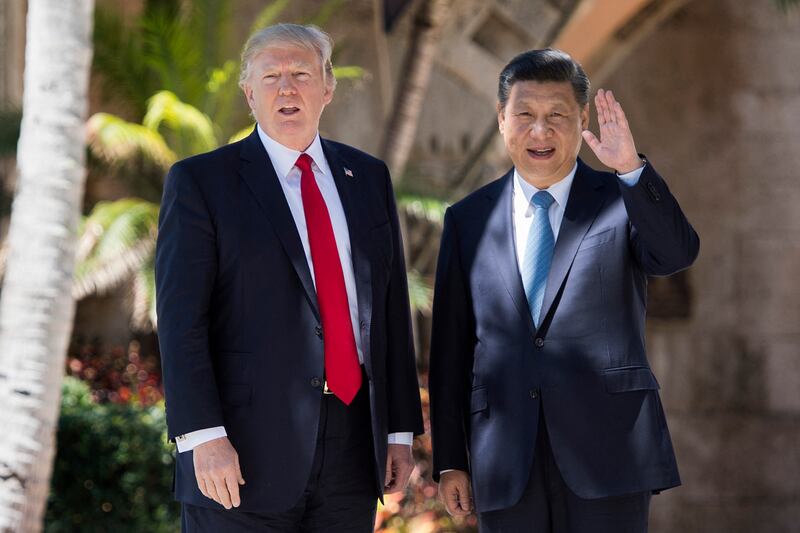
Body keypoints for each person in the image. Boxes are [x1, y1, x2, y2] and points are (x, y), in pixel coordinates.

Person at [155, 23, 424, 532]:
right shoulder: (200, 182)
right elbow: (180, 322)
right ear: (248, 92)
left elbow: (389, 308)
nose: (286, 88)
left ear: (328, 89)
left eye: (301, 73)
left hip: (351, 445)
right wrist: (201, 437)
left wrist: (400, 432)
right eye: (271, 76)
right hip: (239, 450)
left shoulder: (367, 177)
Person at [428, 48, 699, 532]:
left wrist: (631, 169)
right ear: (501, 118)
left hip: (610, 452)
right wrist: (451, 458)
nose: (540, 131)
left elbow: (675, 255)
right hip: (506, 461)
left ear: (583, 118)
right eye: (525, 115)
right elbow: (451, 349)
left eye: (557, 116)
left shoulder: (621, 198)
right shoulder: (466, 219)